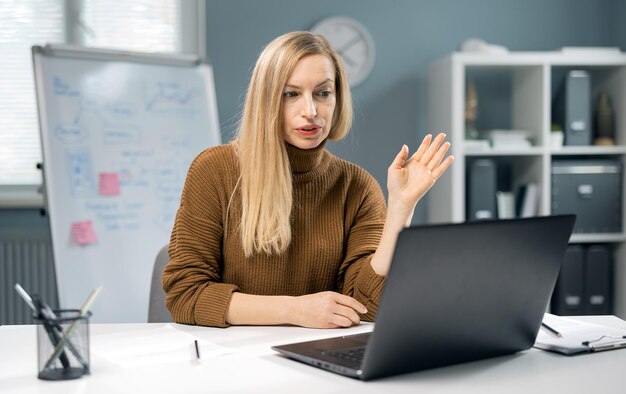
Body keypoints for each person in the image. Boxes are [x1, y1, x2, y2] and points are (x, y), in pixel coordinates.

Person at [162, 31, 453, 329]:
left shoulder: (357, 187)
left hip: (317, 363)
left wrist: (401, 210)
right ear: (266, 100)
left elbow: (369, 307)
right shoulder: (214, 170)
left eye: (323, 93)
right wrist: (294, 311)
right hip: (233, 363)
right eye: (291, 94)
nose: (310, 111)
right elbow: (185, 294)